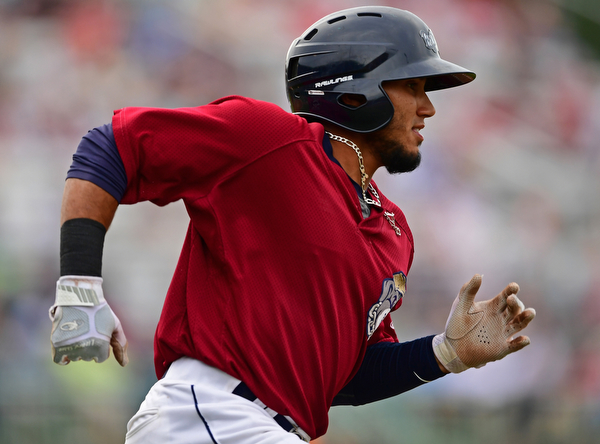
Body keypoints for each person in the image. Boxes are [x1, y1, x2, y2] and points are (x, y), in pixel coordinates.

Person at [49, 6, 536, 443]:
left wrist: (446, 353)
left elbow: (343, 375)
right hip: (212, 414)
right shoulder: (269, 140)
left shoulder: (394, 230)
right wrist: (79, 283)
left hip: (267, 428)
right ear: (354, 90)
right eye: (412, 86)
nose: (427, 107)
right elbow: (111, 147)